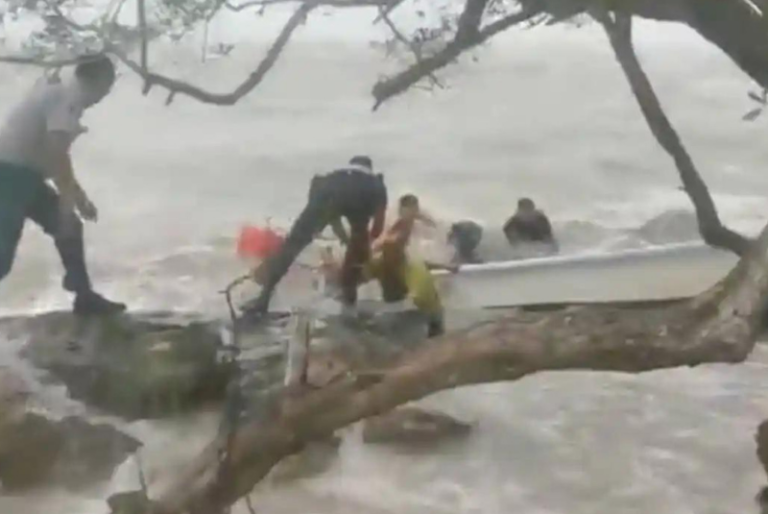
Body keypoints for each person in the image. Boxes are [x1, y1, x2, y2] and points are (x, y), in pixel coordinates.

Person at [0, 55, 125, 315]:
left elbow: (52, 157)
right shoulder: (67, 98)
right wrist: (70, 204)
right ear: (100, 81)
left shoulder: (62, 90)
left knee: (69, 228)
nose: (105, 94)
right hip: (9, 176)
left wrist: (78, 201)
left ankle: (83, 295)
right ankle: (82, 292)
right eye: (108, 86)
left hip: (26, 176)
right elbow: (57, 155)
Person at [242, 156, 387, 317]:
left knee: (290, 249)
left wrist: (341, 236)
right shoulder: (376, 183)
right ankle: (349, 304)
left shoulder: (333, 176)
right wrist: (362, 246)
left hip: (326, 193)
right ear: (370, 168)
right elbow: (377, 228)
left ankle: (263, 300)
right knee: (356, 251)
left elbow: (332, 214)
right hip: (362, 198)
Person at [366, 194, 456, 337]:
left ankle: (434, 325)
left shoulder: (409, 264)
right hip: (393, 293)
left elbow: (419, 266)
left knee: (422, 291)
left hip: (415, 303)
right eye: (410, 211)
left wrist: (446, 266)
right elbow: (376, 250)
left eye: (414, 210)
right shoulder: (386, 244)